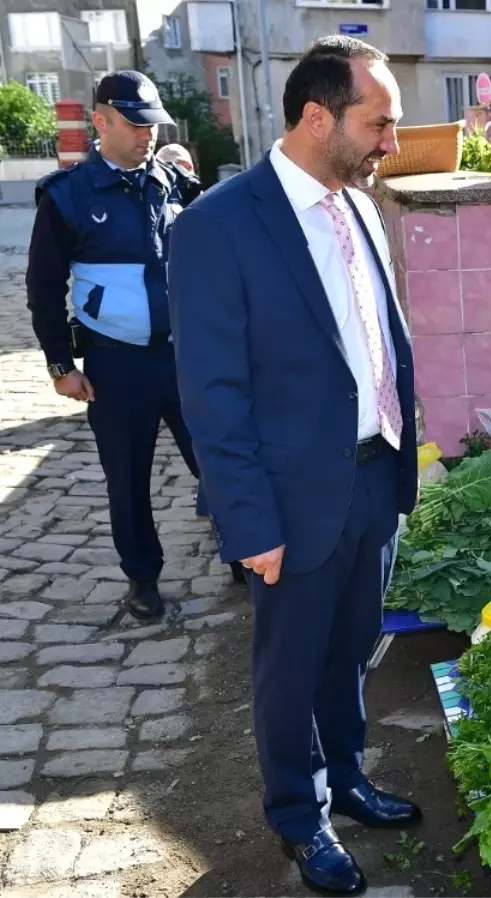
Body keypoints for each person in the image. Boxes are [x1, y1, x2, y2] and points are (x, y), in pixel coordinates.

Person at [168, 36, 418, 895]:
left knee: (351, 651)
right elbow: (213, 396)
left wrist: (399, 460)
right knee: (290, 666)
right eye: (377, 121)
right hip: (289, 500)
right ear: (318, 118)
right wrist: (249, 522)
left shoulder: (354, 202)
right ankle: (297, 814)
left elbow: (375, 340)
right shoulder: (217, 226)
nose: (393, 139)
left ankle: (345, 777)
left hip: (372, 479)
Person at [26, 70, 203, 621]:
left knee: (221, 460)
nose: (147, 134)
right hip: (116, 363)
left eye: (153, 123)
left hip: (184, 356)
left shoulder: (172, 182)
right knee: (127, 478)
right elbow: (43, 287)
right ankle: (143, 580)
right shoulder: (68, 196)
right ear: (100, 122)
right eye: (134, 123)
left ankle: (246, 555)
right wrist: (61, 365)